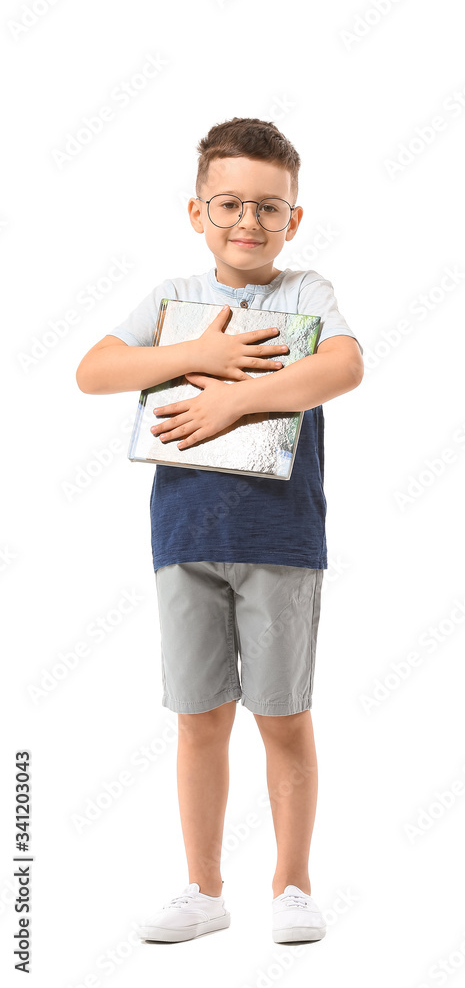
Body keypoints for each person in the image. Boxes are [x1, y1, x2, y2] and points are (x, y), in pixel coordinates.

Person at [76, 116, 364, 945]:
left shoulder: (305, 292)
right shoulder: (173, 301)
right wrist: (193, 359)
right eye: (229, 203)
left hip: (281, 542)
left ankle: (294, 886)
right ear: (197, 211)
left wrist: (235, 394)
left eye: (269, 209)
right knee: (199, 716)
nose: (249, 223)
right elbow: (96, 369)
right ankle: (204, 888)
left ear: (294, 219)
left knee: (281, 715)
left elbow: (342, 365)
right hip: (184, 537)